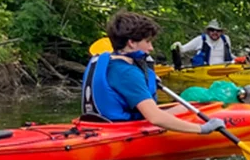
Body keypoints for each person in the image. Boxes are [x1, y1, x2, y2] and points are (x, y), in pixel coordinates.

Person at [82, 11, 225, 136]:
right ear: (131, 43)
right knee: (180, 110)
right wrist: (201, 129)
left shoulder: (111, 61)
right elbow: (155, 118)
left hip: (99, 125)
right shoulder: (127, 72)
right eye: (148, 41)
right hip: (121, 131)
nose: (151, 48)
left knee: (184, 106)